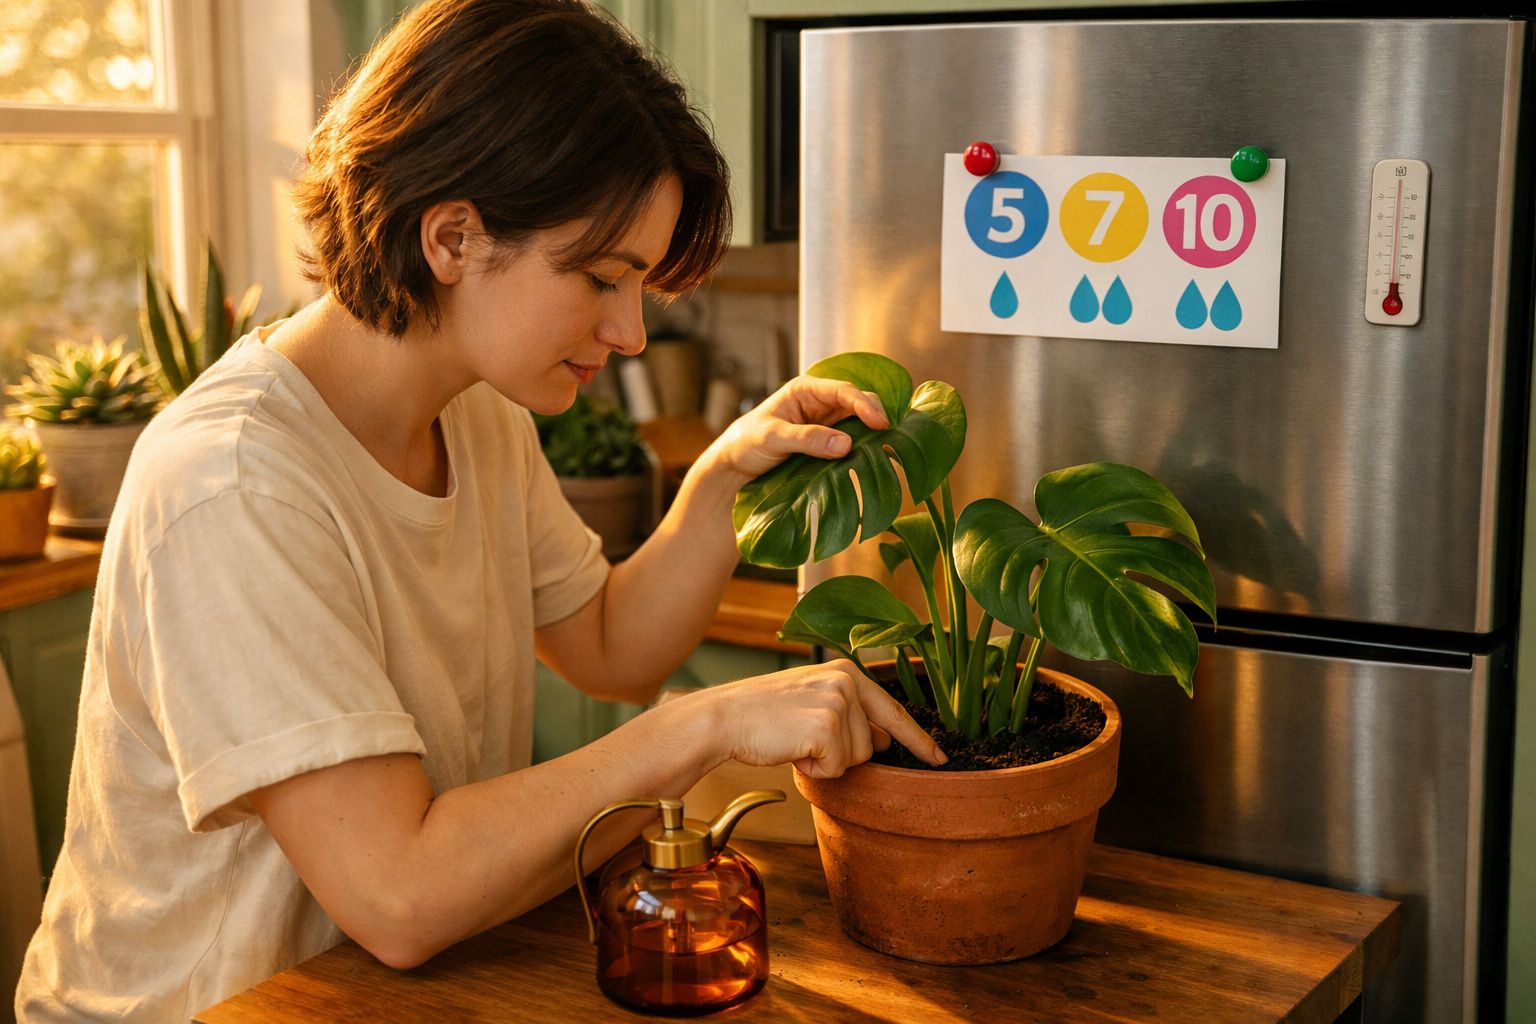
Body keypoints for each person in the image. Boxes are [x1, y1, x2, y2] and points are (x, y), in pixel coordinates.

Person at [13, 1, 945, 1019]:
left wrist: (722, 480)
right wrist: (710, 720)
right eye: (601, 277)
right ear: (454, 236)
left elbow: (606, 644)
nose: (631, 331)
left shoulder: (476, 415)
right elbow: (400, 894)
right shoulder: (236, 481)